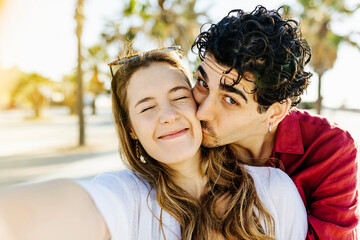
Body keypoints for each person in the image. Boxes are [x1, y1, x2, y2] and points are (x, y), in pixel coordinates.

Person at [0, 47, 307, 240]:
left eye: (179, 97)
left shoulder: (273, 191)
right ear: (131, 129)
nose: (168, 115)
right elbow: (78, 206)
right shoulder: (127, 196)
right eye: (146, 108)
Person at [191, 5, 359, 240]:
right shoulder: (186, 139)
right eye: (202, 83)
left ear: (275, 112)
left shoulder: (328, 149)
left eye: (230, 99)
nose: (202, 113)